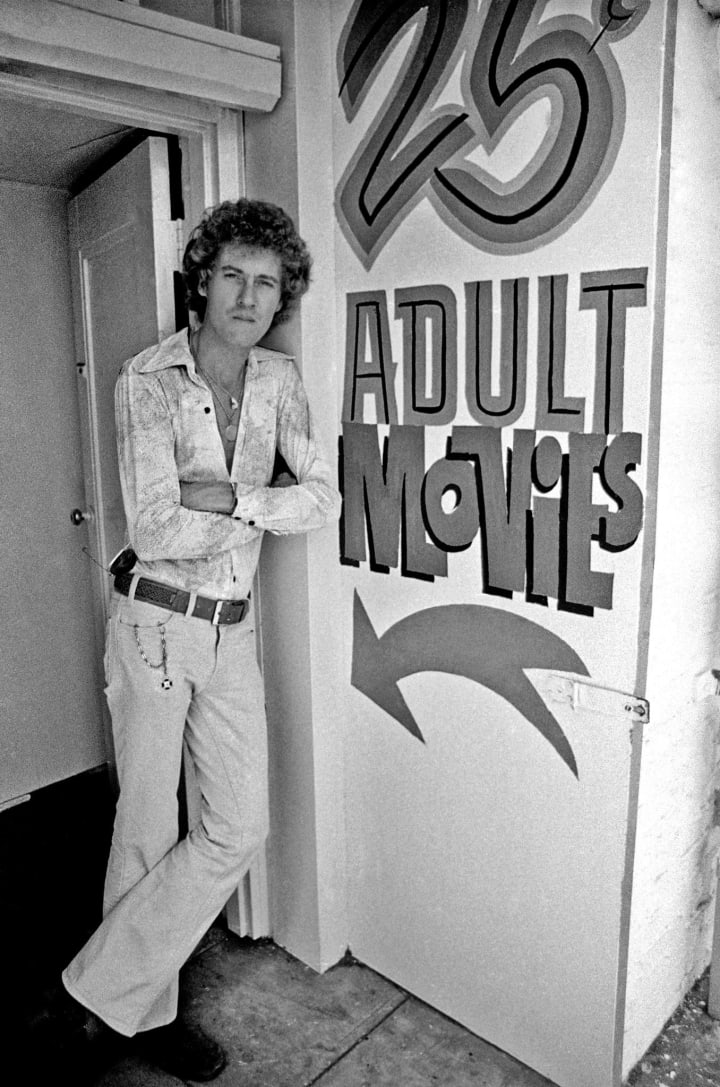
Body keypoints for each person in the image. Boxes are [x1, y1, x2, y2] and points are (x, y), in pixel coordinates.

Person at [52, 198, 341, 1081]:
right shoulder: (146, 379)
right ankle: (146, 1016)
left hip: (232, 630)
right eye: (233, 276)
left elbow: (321, 499)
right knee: (146, 822)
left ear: (283, 294)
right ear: (203, 282)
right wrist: (260, 509)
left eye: (268, 282)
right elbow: (155, 525)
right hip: (155, 623)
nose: (250, 296)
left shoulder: (280, 380)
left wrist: (231, 497)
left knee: (238, 824)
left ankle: (95, 995)